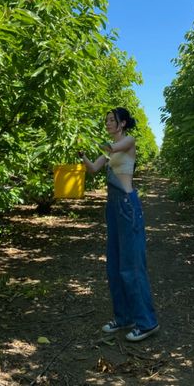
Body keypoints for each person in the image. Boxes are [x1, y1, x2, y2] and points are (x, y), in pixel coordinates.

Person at [79, 107, 159, 342]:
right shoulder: (110, 152)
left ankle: (147, 322)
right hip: (112, 207)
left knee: (132, 264)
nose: (108, 123)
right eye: (106, 120)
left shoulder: (127, 141)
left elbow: (111, 147)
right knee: (114, 263)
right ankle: (124, 317)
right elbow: (93, 168)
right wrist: (82, 155)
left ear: (123, 123)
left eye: (112, 120)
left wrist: (91, 140)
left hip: (127, 205)